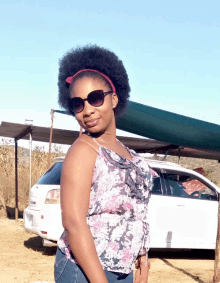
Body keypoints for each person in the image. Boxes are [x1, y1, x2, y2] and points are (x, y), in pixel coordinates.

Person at [54, 45, 154, 283]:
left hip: (124, 268)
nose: (87, 110)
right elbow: (73, 223)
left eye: (95, 98)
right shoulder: (83, 151)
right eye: (78, 104)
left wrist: (142, 257)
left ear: (114, 99)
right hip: (84, 269)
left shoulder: (130, 155)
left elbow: (135, 211)